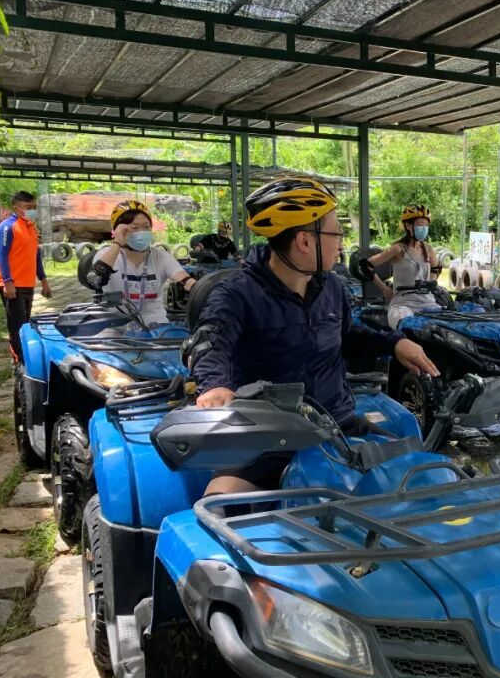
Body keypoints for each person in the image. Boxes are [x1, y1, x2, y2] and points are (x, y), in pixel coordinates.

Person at [188, 177, 439, 497]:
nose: (341, 243)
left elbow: (347, 336)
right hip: (267, 436)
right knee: (218, 506)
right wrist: (215, 385)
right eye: (336, 233)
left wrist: (395, 343)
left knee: (421, 481)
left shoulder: (331, 287)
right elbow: (210, 342)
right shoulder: (236, 293)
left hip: (337, 424)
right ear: (305, 241)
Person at [91, 201, 195, 326]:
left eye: (146, 227)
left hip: (156, 326)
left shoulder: (161, 256)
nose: (142, 232)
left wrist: (196, 286)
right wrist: (117, 242)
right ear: (119, 230)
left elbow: (184, 278)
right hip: (114, 326)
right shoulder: (106, 254)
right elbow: (98, 276)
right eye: (134, 228)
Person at [359, 204, 442, 329]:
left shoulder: (428, 249)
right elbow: (365, 265)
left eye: (426, 225)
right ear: (408, 226)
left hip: (428, 303)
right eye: (420, 225)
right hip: (402, 304)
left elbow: (436, 269)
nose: (424, 228)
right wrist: (385, 289)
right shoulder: (398, 249)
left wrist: (431, 281)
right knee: (408, 328)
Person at [0, 191, 51, 363]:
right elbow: (1, 256)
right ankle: (19, 361)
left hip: (27, 283)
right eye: (28, 207)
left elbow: (35, 255)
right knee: (17, 325)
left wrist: (44, 281)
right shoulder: (7, 227)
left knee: (25, 325)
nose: (32, 210)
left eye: (34, 207)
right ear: (16, 207)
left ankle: (26, 358)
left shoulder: (31, 227)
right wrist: (7, 282)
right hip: (12, 284)